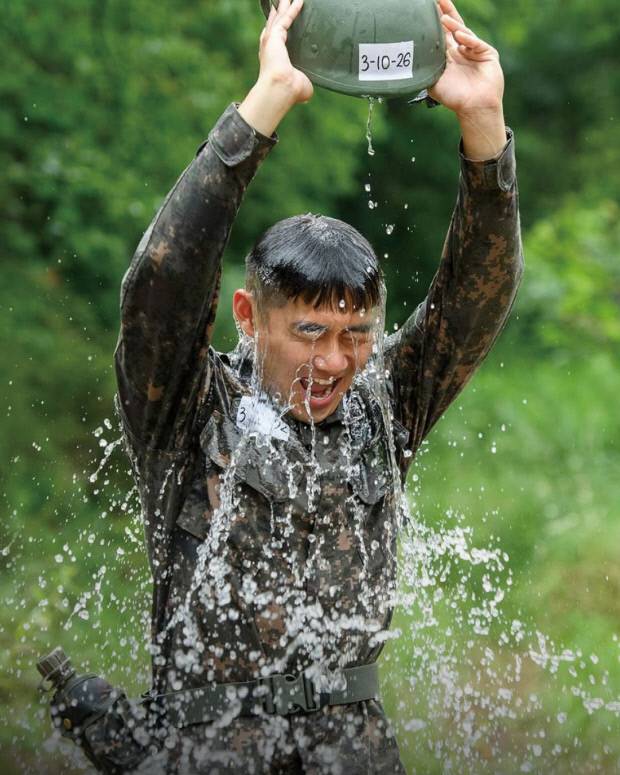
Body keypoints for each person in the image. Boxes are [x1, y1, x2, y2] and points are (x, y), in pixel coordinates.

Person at [51, 0, 523, 772]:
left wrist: (483, 125)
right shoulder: (189, 408)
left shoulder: (385, 403)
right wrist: (263, 109)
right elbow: (161, 288)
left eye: (356, 335)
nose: (335, 362)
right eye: (309, 332)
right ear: (249, 315)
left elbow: (478, 294)